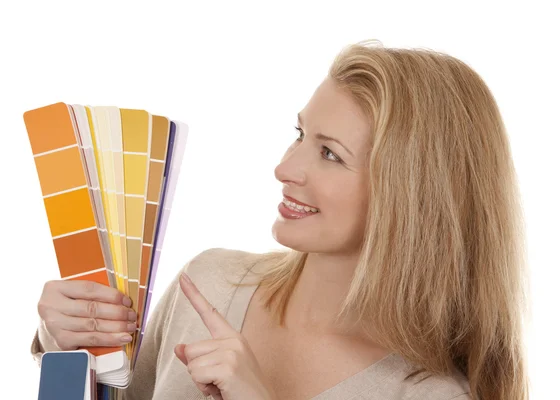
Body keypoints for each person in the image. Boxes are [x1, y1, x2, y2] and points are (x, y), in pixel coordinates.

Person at [31, 39, 530, 400]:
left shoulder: (426, 394)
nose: (285, 168)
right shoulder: (207, 284)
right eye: (300, 133)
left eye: (330, 154)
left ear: (412, 195)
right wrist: (69, 354)